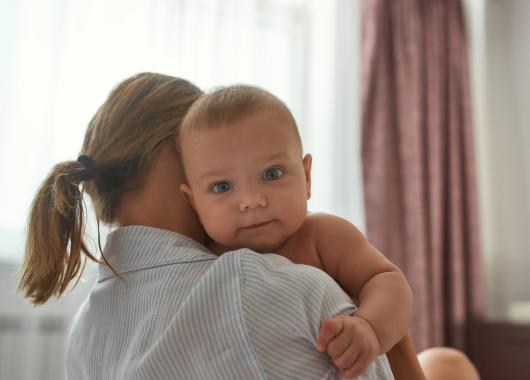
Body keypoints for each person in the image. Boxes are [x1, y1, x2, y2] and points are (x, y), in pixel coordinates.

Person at [18, 72, 393, 380]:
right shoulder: (269, 286)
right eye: (219, 167)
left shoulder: (82, 336)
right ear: (177, 155)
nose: (249, 201)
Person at [178, 85, 413, 378]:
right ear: (194, 204)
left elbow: (386, 280)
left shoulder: (322, 236)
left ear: (306, 176)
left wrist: (369, 327)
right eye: (222, 187)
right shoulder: (198, 262)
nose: (252, 200)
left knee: (449, 363)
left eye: (271, 174)